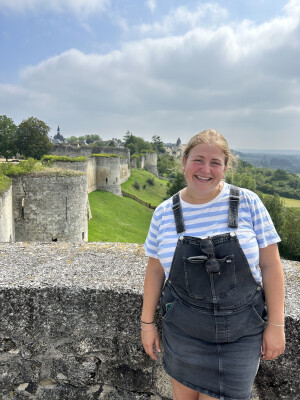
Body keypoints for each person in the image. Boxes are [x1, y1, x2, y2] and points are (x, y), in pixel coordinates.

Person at [141, 129, 285, 400]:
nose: (205, 169)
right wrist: (147, 324)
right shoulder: (163, 213)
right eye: (198, 160)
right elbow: (156, 270)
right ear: (183, 162)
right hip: (185, 331)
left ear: (225, 167)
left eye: (215, 163)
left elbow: (271, 266)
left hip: (241, 334)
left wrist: (276, 325)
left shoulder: (248, 202)